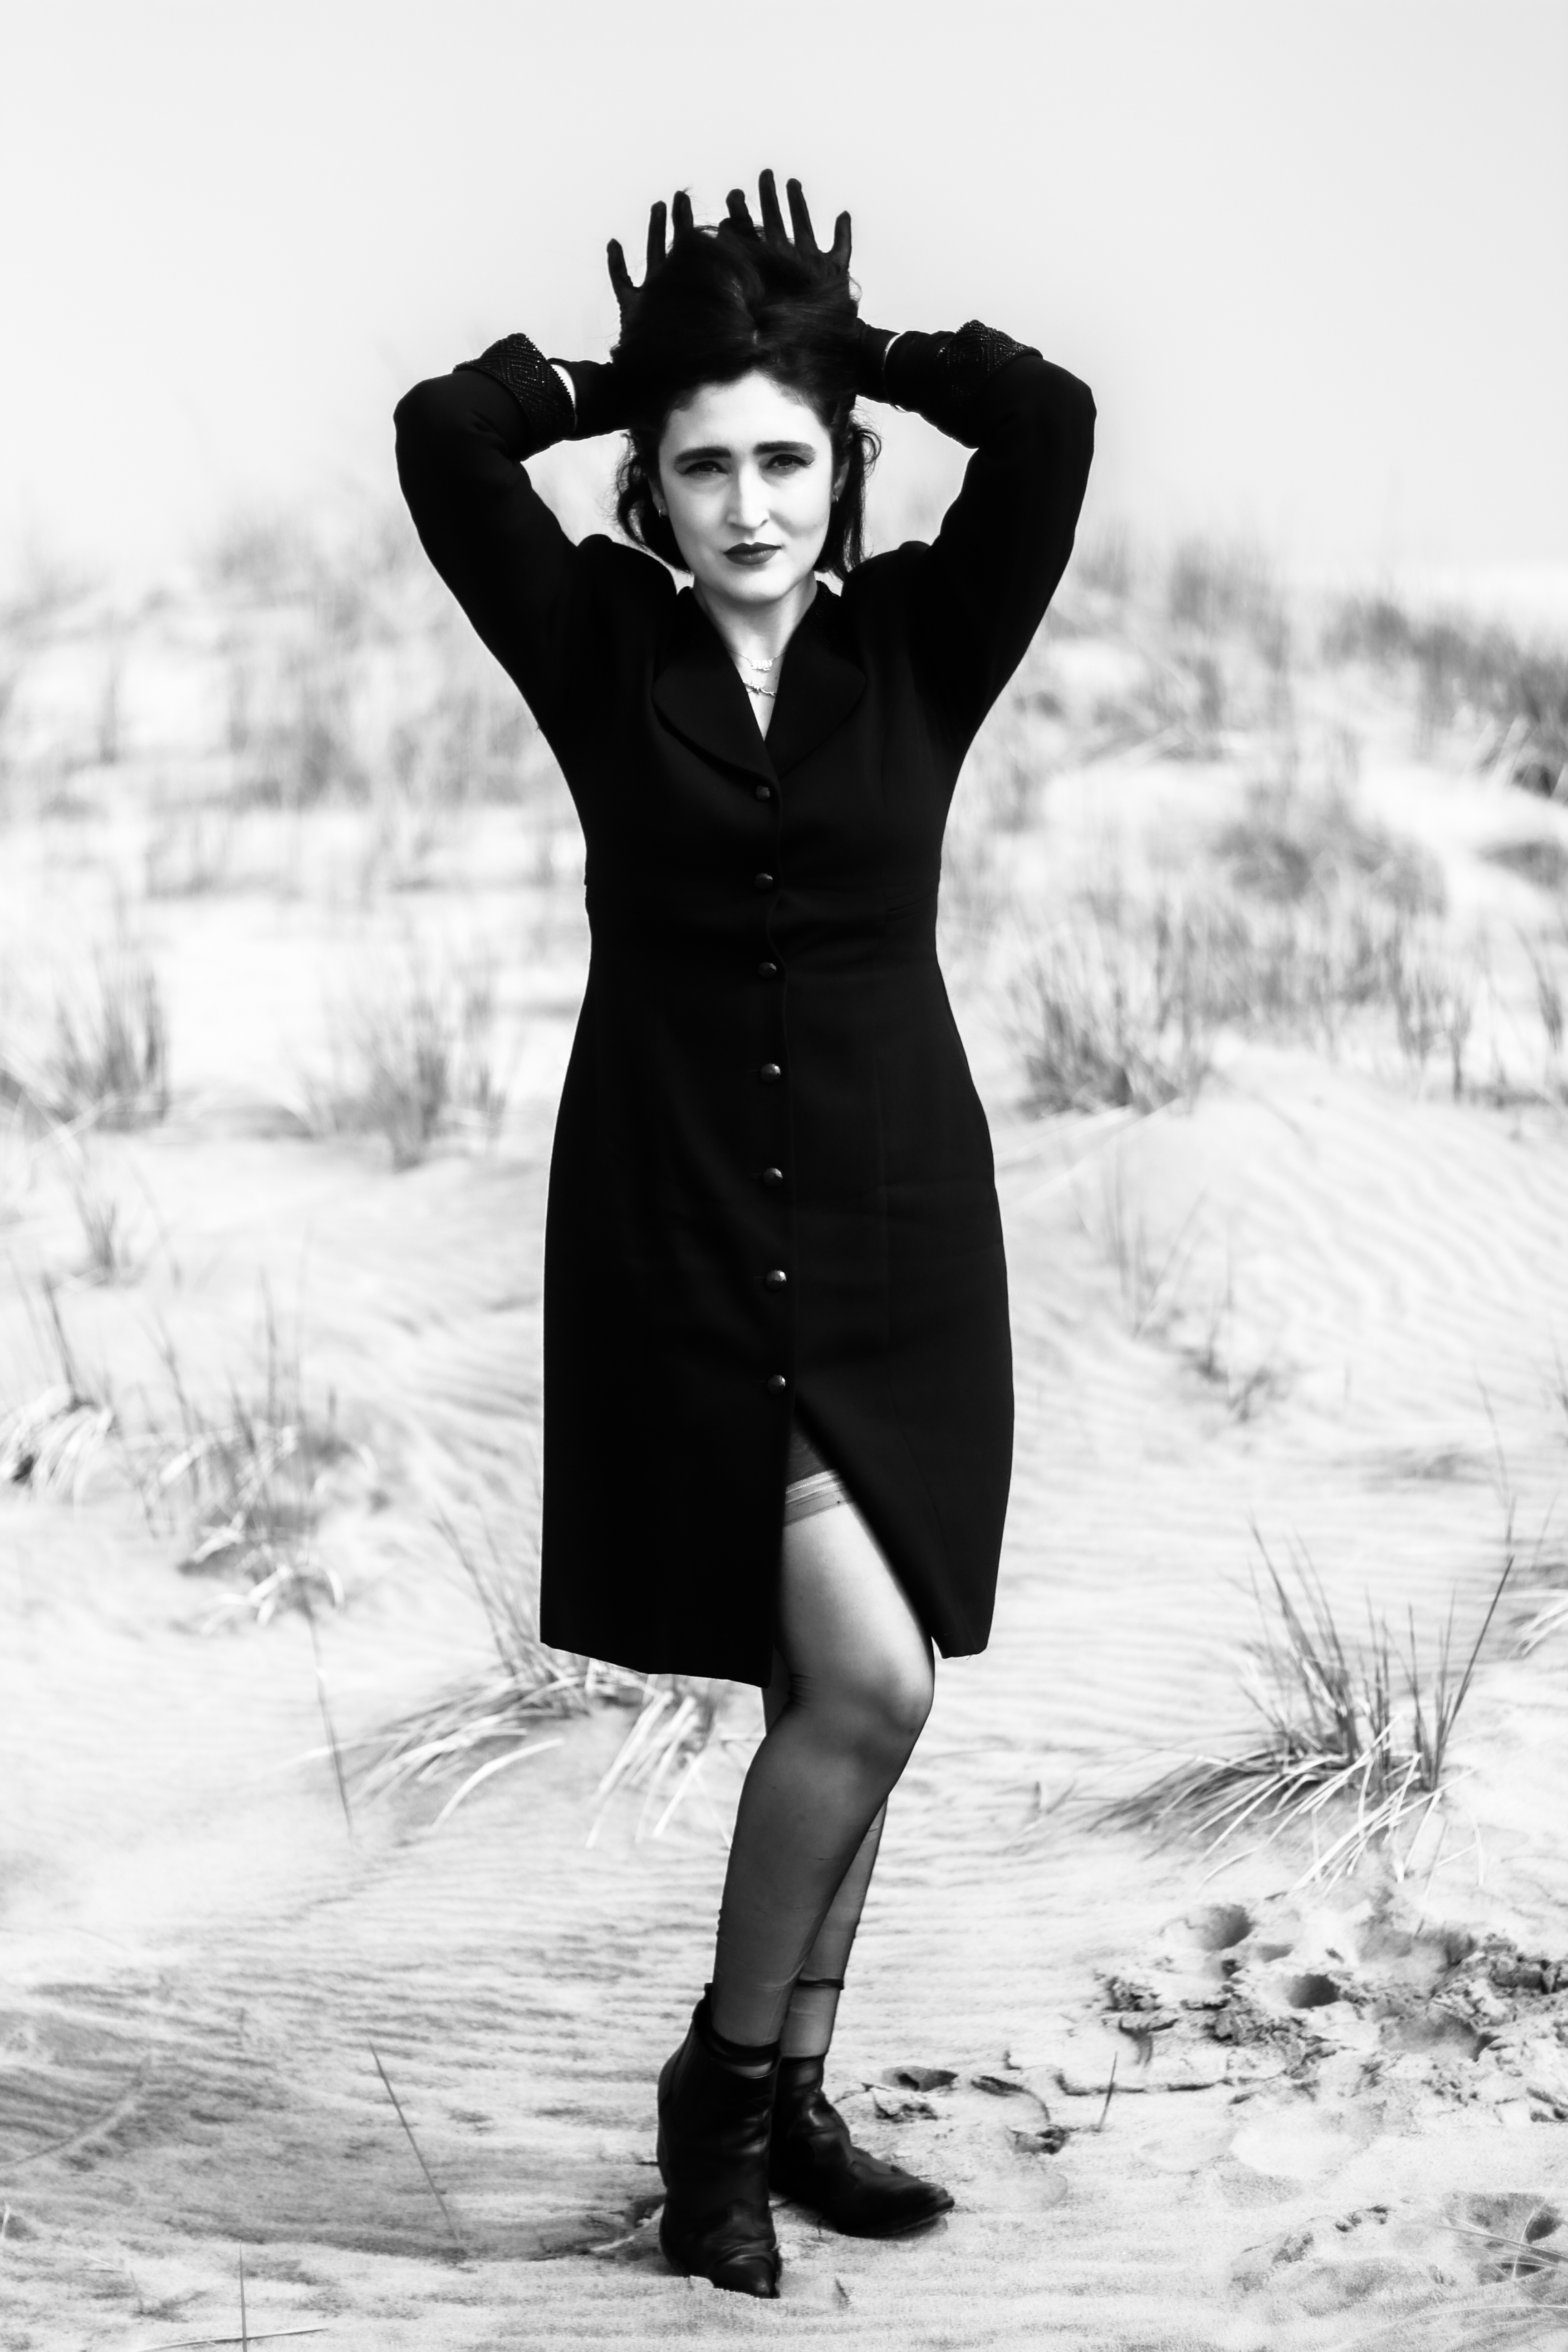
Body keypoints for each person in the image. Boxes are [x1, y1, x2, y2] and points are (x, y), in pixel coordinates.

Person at [394, 172, 1094, 2298]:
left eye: (787, 460)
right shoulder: (600, 652)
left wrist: (848, 349)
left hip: (900, 1238)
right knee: (866, 1680)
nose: (750, 503)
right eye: (703, 465)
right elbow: (442, 437)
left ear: (843, 471)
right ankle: (718, 2095)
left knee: (852, 1684)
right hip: (680, 1229)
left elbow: (1051, 422)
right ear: (651, 485)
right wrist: (620, 372)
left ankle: (788, 2098)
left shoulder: (920, 648)